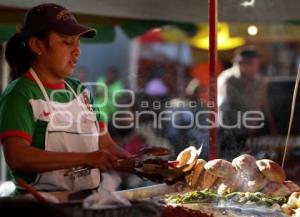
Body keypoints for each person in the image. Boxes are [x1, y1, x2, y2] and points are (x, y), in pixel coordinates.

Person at [0, 3, 130, 193]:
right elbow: (18, 157)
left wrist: (144, 165)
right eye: (67, 42)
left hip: (87, 202)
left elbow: (107, 147)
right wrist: (86, 158)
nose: (77, 50)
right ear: (37, 45)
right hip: (40, 206)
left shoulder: (80, 91)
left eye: (78, 42)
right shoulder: (21, 93)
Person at [218, 46, 276, 160]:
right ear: (242, 64)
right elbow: (234, 105)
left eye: (257, 65)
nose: (257, 68)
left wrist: (271, 127)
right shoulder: (228, 79)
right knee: (228, 164)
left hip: (250, 131)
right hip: (230, 131)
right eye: (254, 65)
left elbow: (261, 103)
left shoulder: (258, 80)